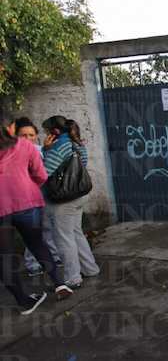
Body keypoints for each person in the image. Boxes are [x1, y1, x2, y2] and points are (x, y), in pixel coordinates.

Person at [0, 111, 73, 315]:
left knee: (4, 258)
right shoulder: (25, 146)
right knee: (37, 244)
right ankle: (60, 284)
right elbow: (41, 175)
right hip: (27, 203)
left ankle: (24, 301)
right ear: (10, 127)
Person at [42, 116, 100, 289]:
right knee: (76, 233)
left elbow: (44, 171)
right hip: (78, 195)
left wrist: (46, 149)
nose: (45, 135)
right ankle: (90, 269)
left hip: (63, 200)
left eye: (46, 131)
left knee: (64, 238)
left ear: (55, 132)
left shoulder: (59, 145)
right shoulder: (77, 143)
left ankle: (73, 278)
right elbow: (81, 165)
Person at [13, 117, 63, 276]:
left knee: (47, 227)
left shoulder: (40, 149)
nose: (28, 139)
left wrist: (46, 151)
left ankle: (53, 257)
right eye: (23, 135)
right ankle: (32, 264)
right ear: (15, 136)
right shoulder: (12, 153)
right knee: (33, 231)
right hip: (26, 198)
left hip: (43, 194)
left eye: (31, 135)